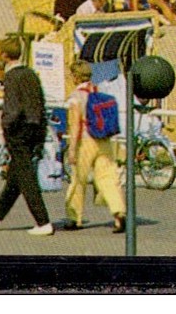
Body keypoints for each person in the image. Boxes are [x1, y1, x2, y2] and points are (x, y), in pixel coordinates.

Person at [0, 37, 53, 236]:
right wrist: (42, 131)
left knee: (26, 178)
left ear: (4, 56)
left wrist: (6, 127)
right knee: (16, 177)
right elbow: (40, 103)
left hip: (19, 130)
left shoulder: (12, 77)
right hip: (36, 127)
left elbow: (12, 108)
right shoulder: (30, 74)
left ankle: (43, 222)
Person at [61, 59, 126, 233]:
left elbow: (75, 125)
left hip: (86, 140)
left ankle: (75, 218)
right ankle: (118, 212)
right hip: (103, 139)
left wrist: (72, 149)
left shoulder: (76, 96)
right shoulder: (98, 91)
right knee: (107, 177)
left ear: (75, 76)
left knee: (78, 180)